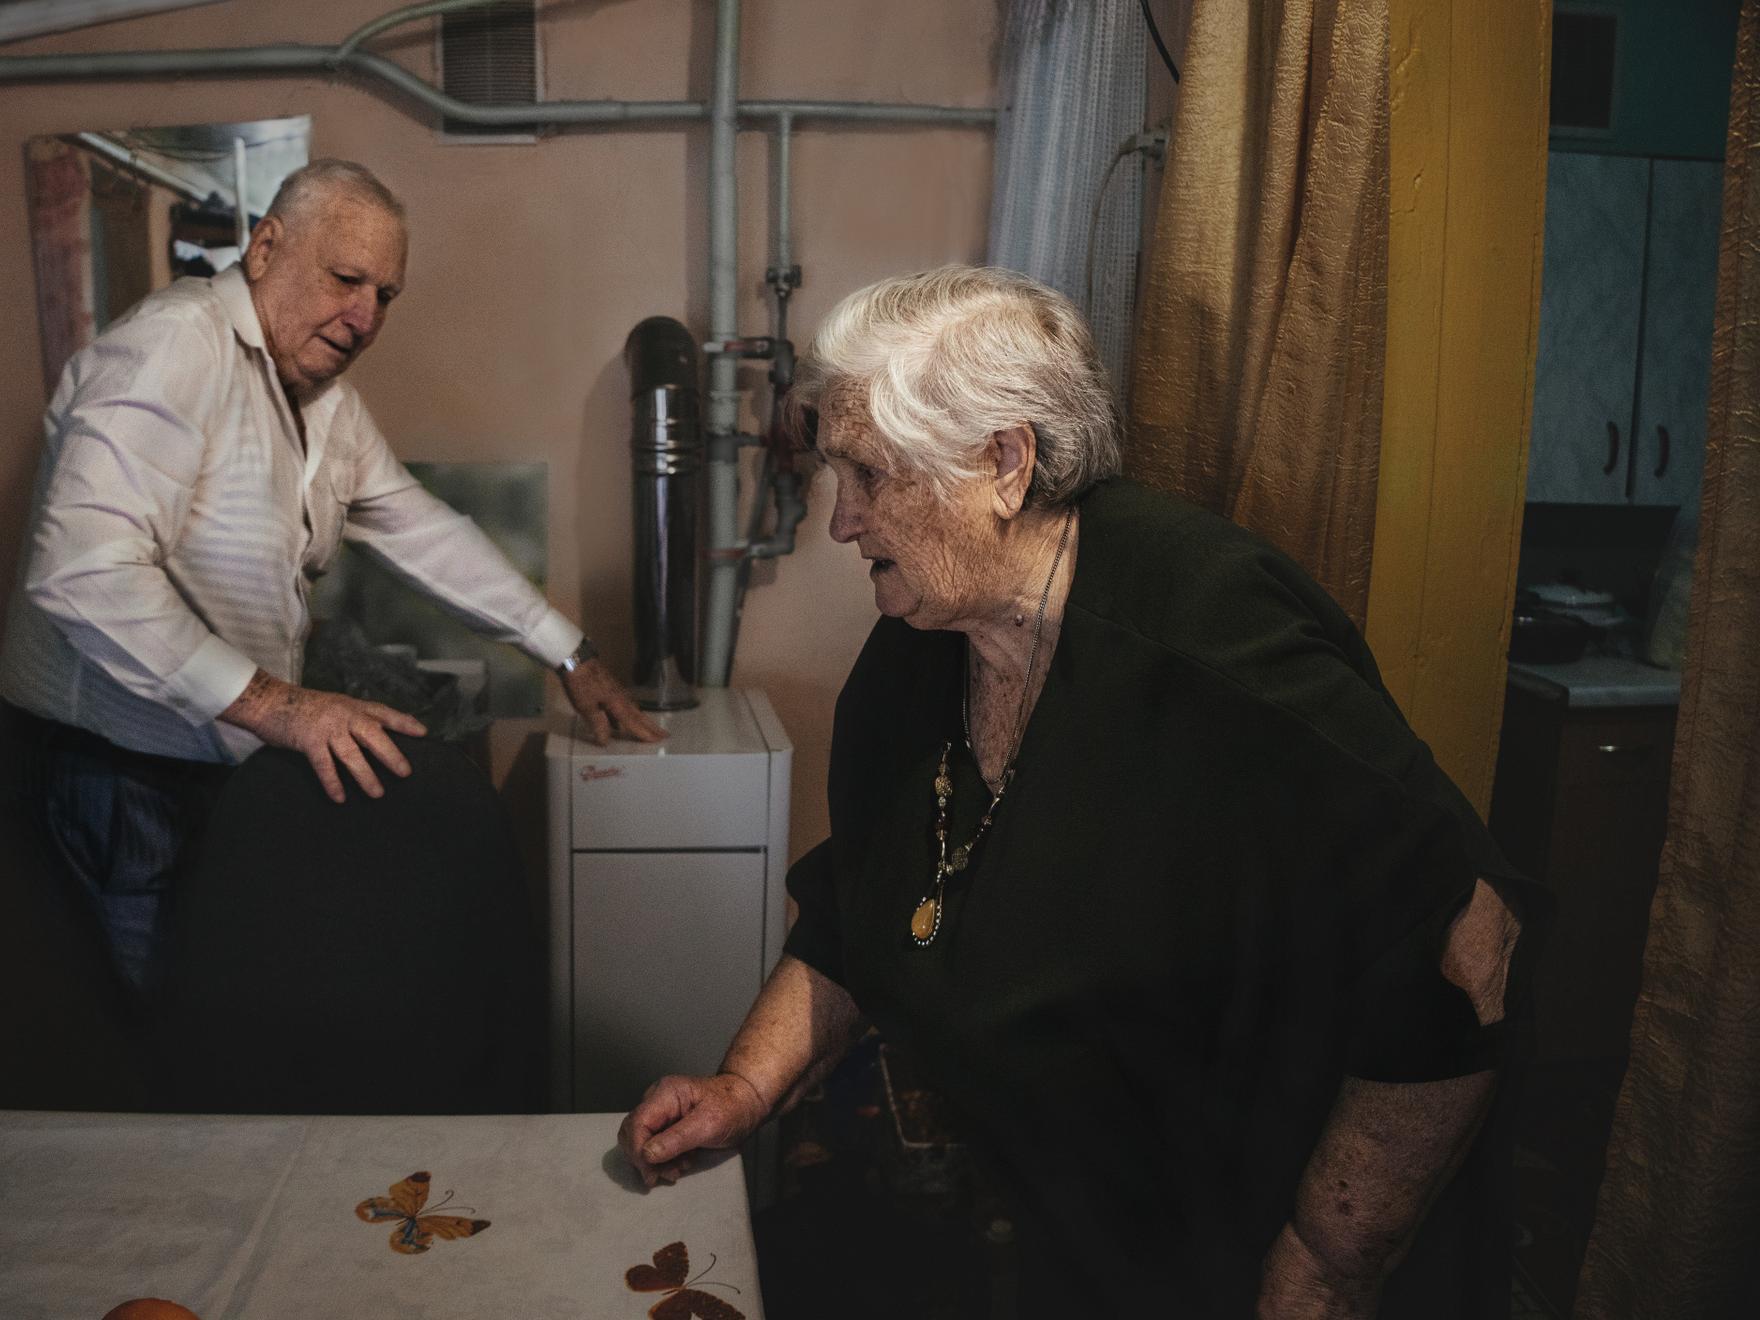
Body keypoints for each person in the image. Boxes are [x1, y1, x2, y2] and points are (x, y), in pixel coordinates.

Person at [617, 267, 1540, 1318]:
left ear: (1004, 463)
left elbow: (1469, 938)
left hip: (1261, 1249)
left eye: (868, 474)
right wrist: (744, 1088)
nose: (843, 522)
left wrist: (1325, 1262)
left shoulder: (1210, 640)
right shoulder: (923, 640)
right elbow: (862, 902)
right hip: (1079, 1230)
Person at [0, 158, 661, 1002]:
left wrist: (570, 653)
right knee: (170, 1041)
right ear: (266, 248)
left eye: (386, 295)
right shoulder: (175, 346)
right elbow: (83, 570)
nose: (366, 318)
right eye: (346, 279)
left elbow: (424, 532)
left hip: (209, 770)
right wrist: (284, 708)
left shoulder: (327, 404)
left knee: (230, 1016)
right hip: (112, 780)